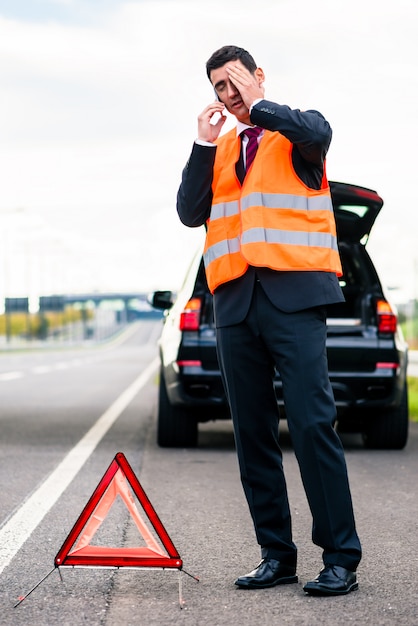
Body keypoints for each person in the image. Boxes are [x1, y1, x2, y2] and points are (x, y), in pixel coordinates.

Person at [176, 45, 361, 596]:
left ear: (258, 76)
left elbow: (314, 134)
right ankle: (275, 554)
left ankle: (340, 558)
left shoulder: (300, 130)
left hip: (294, 301)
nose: (228, 97)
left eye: (234, 82)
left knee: (310, 425)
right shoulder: (222, 146)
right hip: (235, 304)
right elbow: (190, 211)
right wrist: (202, 144)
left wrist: (258, 105)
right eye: (219, 89)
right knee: (253, 435)